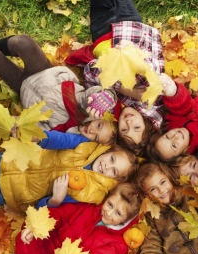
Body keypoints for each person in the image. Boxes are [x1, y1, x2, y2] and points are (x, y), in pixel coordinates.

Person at [0, 25, 118, 145]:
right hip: (44, 71)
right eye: (98, 125)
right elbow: (95, 93)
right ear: (101, 118)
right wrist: (106, 97)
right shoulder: (89, 107)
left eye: (95, 136)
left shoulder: (66, 133)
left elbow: (36, 128)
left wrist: (17, 127)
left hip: (22, 87)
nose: (92, 129)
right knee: (22, 42)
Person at [0, 132, 140, 212]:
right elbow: (59, 140)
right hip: (6, 161)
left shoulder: (91, 195)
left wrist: (56, 200)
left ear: (116, 180)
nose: (106, 166)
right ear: (110, 149)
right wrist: (40, 137)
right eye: (111, 159)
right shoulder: (86, 145)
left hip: (2, 192)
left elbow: (43, 210)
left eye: (113, 171)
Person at [0, 182, 143, 254]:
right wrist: (38, 225)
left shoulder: (118, 244)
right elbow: (59, 215)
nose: (109, 213)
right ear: (107, 198)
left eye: (118, 213)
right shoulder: (85, 208)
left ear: (125, 221)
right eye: (110, 204)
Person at [65, 0, 169, 154]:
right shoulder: (152, 106)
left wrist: (120, 88)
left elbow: (91, 70)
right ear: (147, 125)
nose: (128, 122)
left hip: (103, 33)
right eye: (136, 127)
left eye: (125, 129)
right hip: (131, 30)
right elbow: (154, 71)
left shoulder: (111, 107)